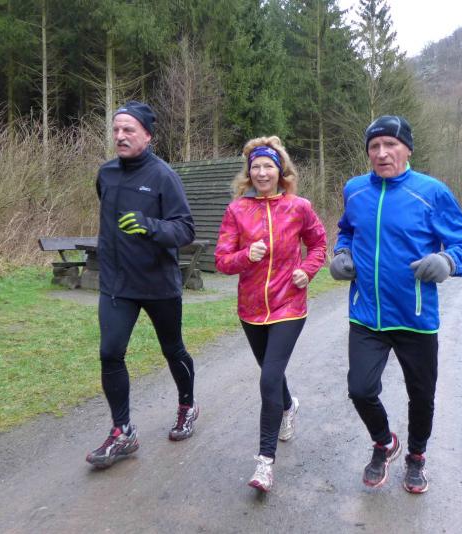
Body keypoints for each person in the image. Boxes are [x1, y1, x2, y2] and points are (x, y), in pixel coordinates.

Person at [331, 115, 462, 494]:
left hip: (415, 318)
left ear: (407, 149)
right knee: (360, 390)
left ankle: (416, 456)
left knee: (421, 396)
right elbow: (346, 230)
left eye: (390, 145)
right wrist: (342, 253)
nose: (382, 153)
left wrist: (448, 261)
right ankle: (384, 443)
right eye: (374, 147)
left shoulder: (432, 192)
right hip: (366, 314)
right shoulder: (355, 190)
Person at [86, 101, 199, 469]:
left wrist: (150, 226)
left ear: (147, 135)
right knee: (110, 353)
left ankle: (187, 406)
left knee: (172, 349)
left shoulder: (164, 176)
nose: (120, 136)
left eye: (128, 130)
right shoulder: (106, 174)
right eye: (116, 129)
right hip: (116, 283)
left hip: (158, 283)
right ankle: (123, 432)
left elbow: (185, 230)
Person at [215, 136, 327, 492]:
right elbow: (221, 261)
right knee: (271, 372)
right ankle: (289, 406)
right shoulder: (236, 211)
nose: (262, 172)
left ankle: (265, 463)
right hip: (250, 309)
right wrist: (245, 255)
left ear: (281, 171)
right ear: (249, 173)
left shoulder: (299, 207)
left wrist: (307, 270)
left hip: (289, 305)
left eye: (269, 166)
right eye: (256, 167)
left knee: (267, 380)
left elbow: (319, 244)